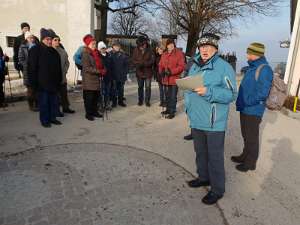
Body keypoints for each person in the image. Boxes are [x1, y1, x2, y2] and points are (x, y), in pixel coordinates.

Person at [185, 33, 237, 205]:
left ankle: (217, 189)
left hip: (214, 122)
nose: (204, 49)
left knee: (214, 157)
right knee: (200, 153)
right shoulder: (194, 65)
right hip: (196, 119)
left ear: (215, 48)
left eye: (208, 46)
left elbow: (231, 94)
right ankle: (203, 178)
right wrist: (188, 107)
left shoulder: (224, 67)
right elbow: (189, 86)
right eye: (201, 46)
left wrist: (209, 92)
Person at [233, 43, 273, 172]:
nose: (247, 55)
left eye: (249, 53)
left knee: (252, 137)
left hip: (253, 109)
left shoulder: (264, 69)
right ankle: (245, 155)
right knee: (246, 135)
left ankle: (250, 163)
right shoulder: (251, 67)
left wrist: (247, 101)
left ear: (256, 54)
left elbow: (263, 92)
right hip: (245, 108)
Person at [28, 28, 63, 128]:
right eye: (47, 39)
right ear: (42, 39)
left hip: (53, 83)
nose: (49, 41)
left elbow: (58, 68)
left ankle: (53, 118)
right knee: (44, 103)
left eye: (50, 39)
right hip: (41, 84)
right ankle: (45, 120)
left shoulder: (54, 51)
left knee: (53, 102)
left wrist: (59, 80)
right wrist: (33, 84)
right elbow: (32, 68)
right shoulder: (35, 50)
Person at [81, 35, 106, 121]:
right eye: (92, 43)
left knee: (96, 97)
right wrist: (100, 71)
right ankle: (88, 114)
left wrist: (103, 68)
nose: (94, 45)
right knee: (89, 98)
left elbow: (101, 63)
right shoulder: (85, 53)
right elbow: (87, 68)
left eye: (95, 43)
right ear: (88, 44)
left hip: (96, 79)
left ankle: (95, 112)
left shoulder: (96, 53)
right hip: (89, 80)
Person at [159, 39, 185, 119]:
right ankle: (168, 109)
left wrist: (171, 71)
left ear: (174, 45)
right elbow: (160, 64)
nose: (171, 46)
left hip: (174, 79)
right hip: (166, 79)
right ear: (166, 46)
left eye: (172, 44)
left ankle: (172, 111)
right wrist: (161, 71)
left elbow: (181, 66)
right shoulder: (164, 54)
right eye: (169, 44)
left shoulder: (179, 53)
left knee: (173, 96)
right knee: (167, 95)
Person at [51, 33, 75, 114]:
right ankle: (56, 110)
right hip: (53, 77)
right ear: (51, 41)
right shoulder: (49, 50)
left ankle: (66, 108)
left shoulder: (62, 51)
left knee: (64, 93)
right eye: (55, 40)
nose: (57, 41)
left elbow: (67, 63)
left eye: (58, 40)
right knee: (55, 95)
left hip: (62, 76)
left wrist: (64, 71)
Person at [18, 31, 39, 111]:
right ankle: (31, 105)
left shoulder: (36, 46)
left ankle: (37, 104)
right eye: (30, 37)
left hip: (37, 70)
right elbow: (21, 58)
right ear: (26, 38)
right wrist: (28, 65)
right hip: (28, 71)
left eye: (32, 37)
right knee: (30, 89)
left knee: (37, 88)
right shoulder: (22, 47)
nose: (31, 39)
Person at [132, 36, 154, 107]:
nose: (142, 47)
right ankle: (140, 100)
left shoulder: (150, 50)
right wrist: (138, 64)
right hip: (139, 72)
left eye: (143, 45)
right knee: (140, 87)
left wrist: (145, 64)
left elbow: (152, 60)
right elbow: (133, 60)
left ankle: (147, 101)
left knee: (148, 87)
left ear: (145, 43)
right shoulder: (136, 50)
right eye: (140, 46)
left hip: (148, 72)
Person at [110, 41, 128, 108]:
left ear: (119, 47)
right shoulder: (110, 54)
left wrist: (125, 73)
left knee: (121, 89)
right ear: (113, 47)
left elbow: (126, 65)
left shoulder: (123, 55)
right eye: (115, 46)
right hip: (113, 76)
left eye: (118, 46)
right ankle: (114, 102)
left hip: (121, 75)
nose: (117, 47)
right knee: (114, 90)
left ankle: (120, 101)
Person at [98, 41, 112, 110]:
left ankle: (107, 104)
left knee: (107, 92)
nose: (103, 49)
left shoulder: (109, 55)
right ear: (99, 49)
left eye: (104, 48)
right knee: (101, 92)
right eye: (101, 48)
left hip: (108, 77)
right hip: (101, 77)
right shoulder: (98, 57)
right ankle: (100, 105)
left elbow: (112, 66)